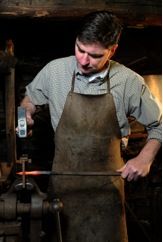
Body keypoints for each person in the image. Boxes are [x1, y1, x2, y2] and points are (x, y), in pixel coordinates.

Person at [20, 11, 161, 242]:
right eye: (80, 49)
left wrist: (145, 157)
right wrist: (26, 112)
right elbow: (30, 99)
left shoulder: (129, 82)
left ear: (112, 50)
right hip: (63, 190)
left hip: (107, 192)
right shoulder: (54, 71)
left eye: (94, 55)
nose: (83, 60)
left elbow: (159, 125)